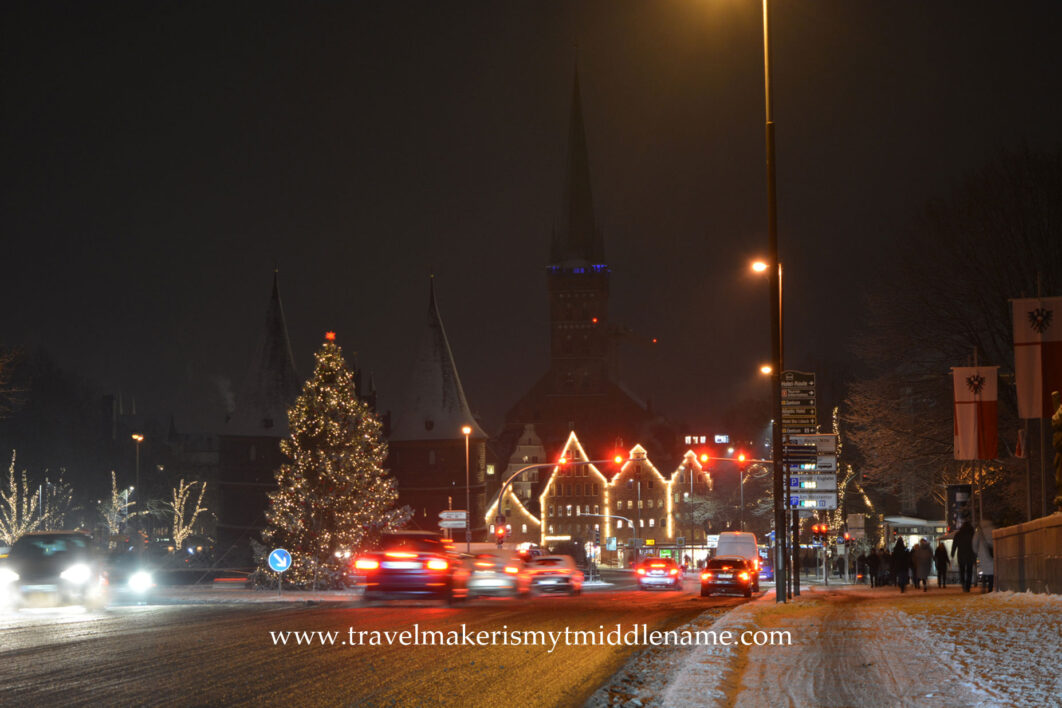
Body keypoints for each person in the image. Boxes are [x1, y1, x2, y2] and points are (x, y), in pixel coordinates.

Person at [951, 520, 976, 592]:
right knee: (969, 571)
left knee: (962, 571)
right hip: (970, 555)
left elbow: (954, 545)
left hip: (961, 555)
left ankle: (963, 584)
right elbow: (975, 544)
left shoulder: (958, 534)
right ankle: (968, 586)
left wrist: (952, 554)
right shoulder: (972, 534)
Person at [972, 525, 994, 592]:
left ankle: (983, 587)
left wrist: (975, 551)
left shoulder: (979, 531)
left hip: (982, 553)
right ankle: (990, 588)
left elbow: (974, 542)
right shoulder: (993, 528)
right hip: (992, 553)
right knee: (991, 572)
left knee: (984, 571)